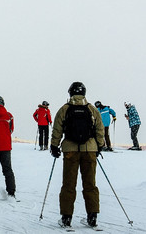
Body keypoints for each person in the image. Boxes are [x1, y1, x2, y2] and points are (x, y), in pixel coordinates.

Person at [50, 81, 105, 228]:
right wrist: (99, 146)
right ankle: (92, 216)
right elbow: (100, 129)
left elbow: (57, 129)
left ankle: (66, 218)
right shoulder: (92, 109)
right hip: (90, 151)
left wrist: (54, 146)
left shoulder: (64, 109)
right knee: (90, 184)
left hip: (70, 151)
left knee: (68, 184)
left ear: (70, 93)